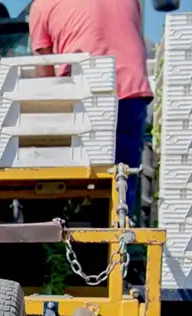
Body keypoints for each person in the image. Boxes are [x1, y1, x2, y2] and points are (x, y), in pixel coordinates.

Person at [28, 0, 153, 223]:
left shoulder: (42, 5)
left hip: (82, 95)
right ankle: (116, 241)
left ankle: (62, 225)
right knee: (121, 183)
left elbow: (44, 73)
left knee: (64, 176)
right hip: (129, 90)